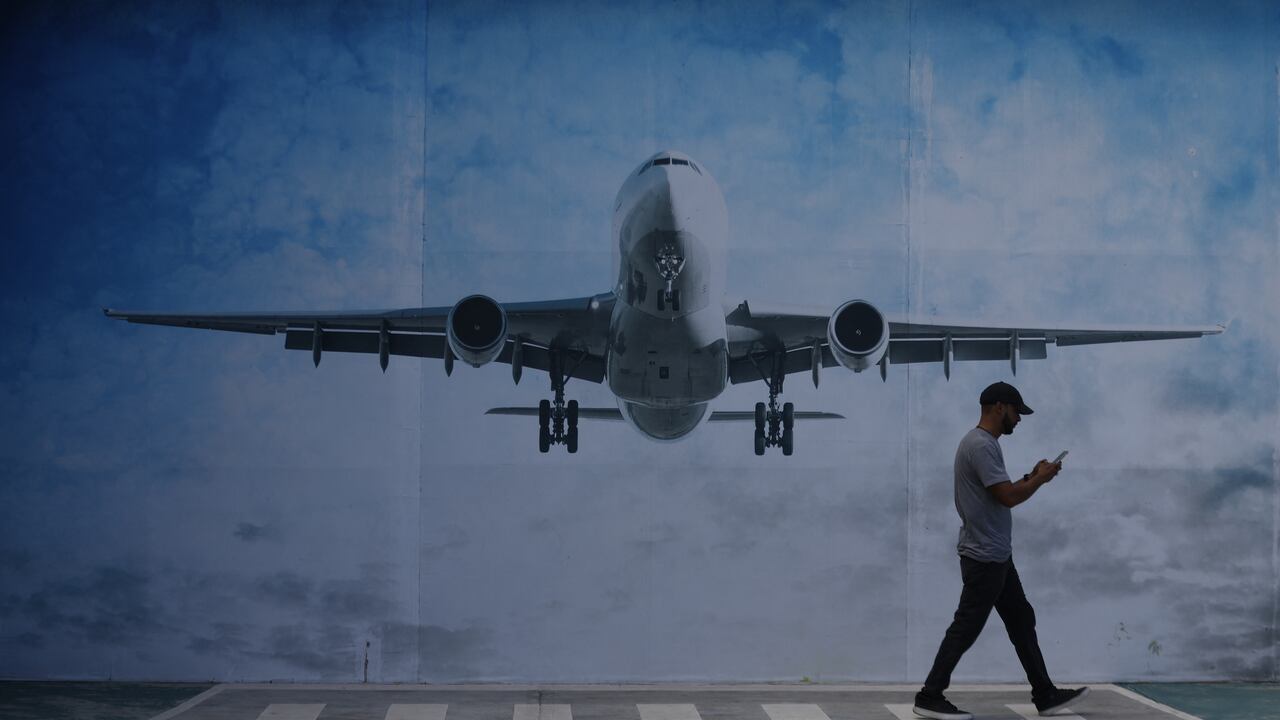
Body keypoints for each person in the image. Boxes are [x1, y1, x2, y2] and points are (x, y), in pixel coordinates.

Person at [911, 382, 1089, 720]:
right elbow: (1008, 498)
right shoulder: (980, 445)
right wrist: (1041, 480)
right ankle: (929, 695)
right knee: (966, 627)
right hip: (984, 557)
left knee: (1021, 620)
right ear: (999, 407)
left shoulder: (983, 444)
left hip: (996, 556)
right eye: (1016, 411)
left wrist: (1032, 476)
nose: (1019, 419)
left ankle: (1046, 695)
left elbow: (999, 491)